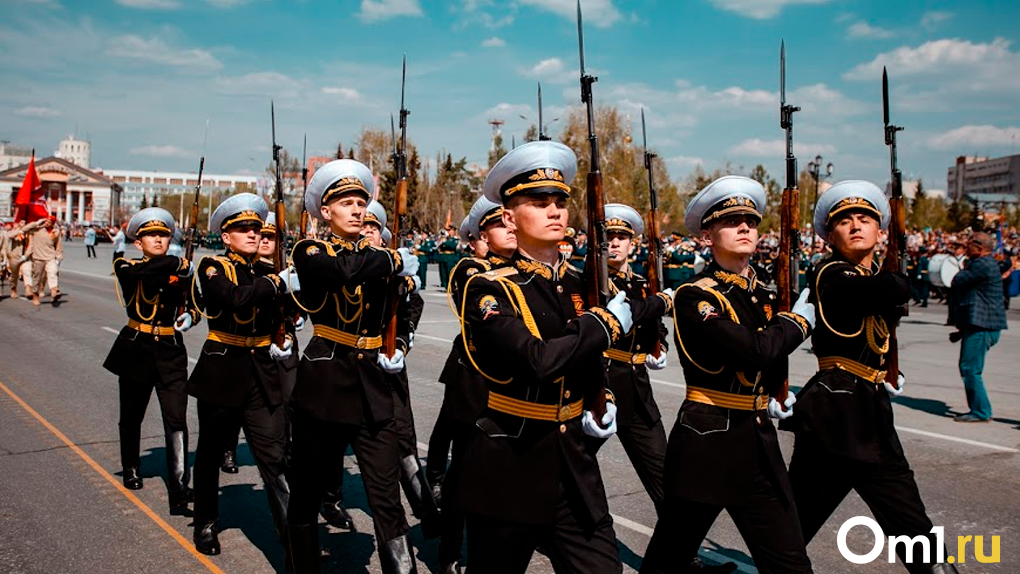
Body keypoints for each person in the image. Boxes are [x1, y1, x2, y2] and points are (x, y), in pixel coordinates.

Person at [457, 141, 632, 573]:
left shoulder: (581, 283)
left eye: (560, 202)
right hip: (510, 462)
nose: (554, 210)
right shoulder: (490, 289)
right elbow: (536, 359)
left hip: (574, 464)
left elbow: (589, 360)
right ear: (508, 218)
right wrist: (605, 325)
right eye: (539, 203)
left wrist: (601, 397)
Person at [640, 176, 815, 574]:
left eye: (750, 223)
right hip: (708, 441)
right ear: (708, 236)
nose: (744, 229)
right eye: (731, 222)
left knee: (790, 562)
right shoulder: (695, 296)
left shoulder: (763, 293)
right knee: (668, 558)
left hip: (757, 442)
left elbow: (770, 358)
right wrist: (798, 324)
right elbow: (756, 350)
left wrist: (777, 392)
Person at [782, 181, 957, 574]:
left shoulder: (867, 277)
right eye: (844, 221)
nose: (855, 225)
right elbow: (894, 288)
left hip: (871, 415)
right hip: (832, 420)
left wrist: (884, 372)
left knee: (913, 527)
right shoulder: (830, 273)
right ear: (829, 235)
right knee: (791, 535)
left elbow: (873, 328)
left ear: (881, 233)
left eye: (865, 219)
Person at [284, 159, 421, 574]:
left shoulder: (378, 255)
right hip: (325, 381)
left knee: (385, 495)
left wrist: (399, 340)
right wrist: (392, 262)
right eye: (346, 202)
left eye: (362, 201)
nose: (358, 209)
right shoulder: (310, 252)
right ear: (325, 212)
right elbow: (341, 273)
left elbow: (398, 309)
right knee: (307, 488)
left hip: (372, 384)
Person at [187, 193, 298, 557]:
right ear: (226, 236)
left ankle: (291, 532)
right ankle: (205, 522)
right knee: (209, 453)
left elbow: (298, 311)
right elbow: (233, 299)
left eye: (256, 228)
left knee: (275, 455)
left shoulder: (270, 271)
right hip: (224, 366)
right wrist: (277, 284)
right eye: (243, 229)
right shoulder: (212, 266)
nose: (252, 234)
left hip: (263, 370)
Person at [426, 197, 516, 574]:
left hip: (511, 387)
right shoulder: (470, 269)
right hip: (472, 381)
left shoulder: (524, 270)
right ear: (481, 235)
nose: (512, 229)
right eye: (502, 225)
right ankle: (448, 552)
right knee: (462, 472)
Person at [102, 207, 196, 514]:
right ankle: (131, 466)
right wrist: (177, 264)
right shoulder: (127, 265)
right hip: (136, 347)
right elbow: (136, 274)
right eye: (151, 235)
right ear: (138, 242)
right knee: (131, 416)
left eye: (163, 235)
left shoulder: (180, 269)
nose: (158, 239)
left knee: (176, 419)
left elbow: (195, 304)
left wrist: (189, 316)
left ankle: (180, 485)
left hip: (170, 349)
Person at [950, 231, 1007, 423]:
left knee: (970, 368)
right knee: (970, 367)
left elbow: (957, 281)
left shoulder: (981, 264)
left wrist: (963, 267)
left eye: (970, 244)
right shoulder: (985, 263)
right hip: (979, 325)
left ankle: (981, 411)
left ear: (980, 248)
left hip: (982, 326)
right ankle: (979, 409)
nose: (966, 247)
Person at [27, 216, 63, 307]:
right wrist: (37, 222)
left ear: (53, 223)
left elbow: (58, 245)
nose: (47, 223)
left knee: (53, 272)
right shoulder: (37, 229)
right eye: (46, 221)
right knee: (37, 278)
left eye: (49, 222)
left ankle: (54, 290)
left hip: (50, 257)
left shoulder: (56, 232)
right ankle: (35, 295)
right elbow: (25, 229)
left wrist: (59, 257)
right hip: (38, 258)